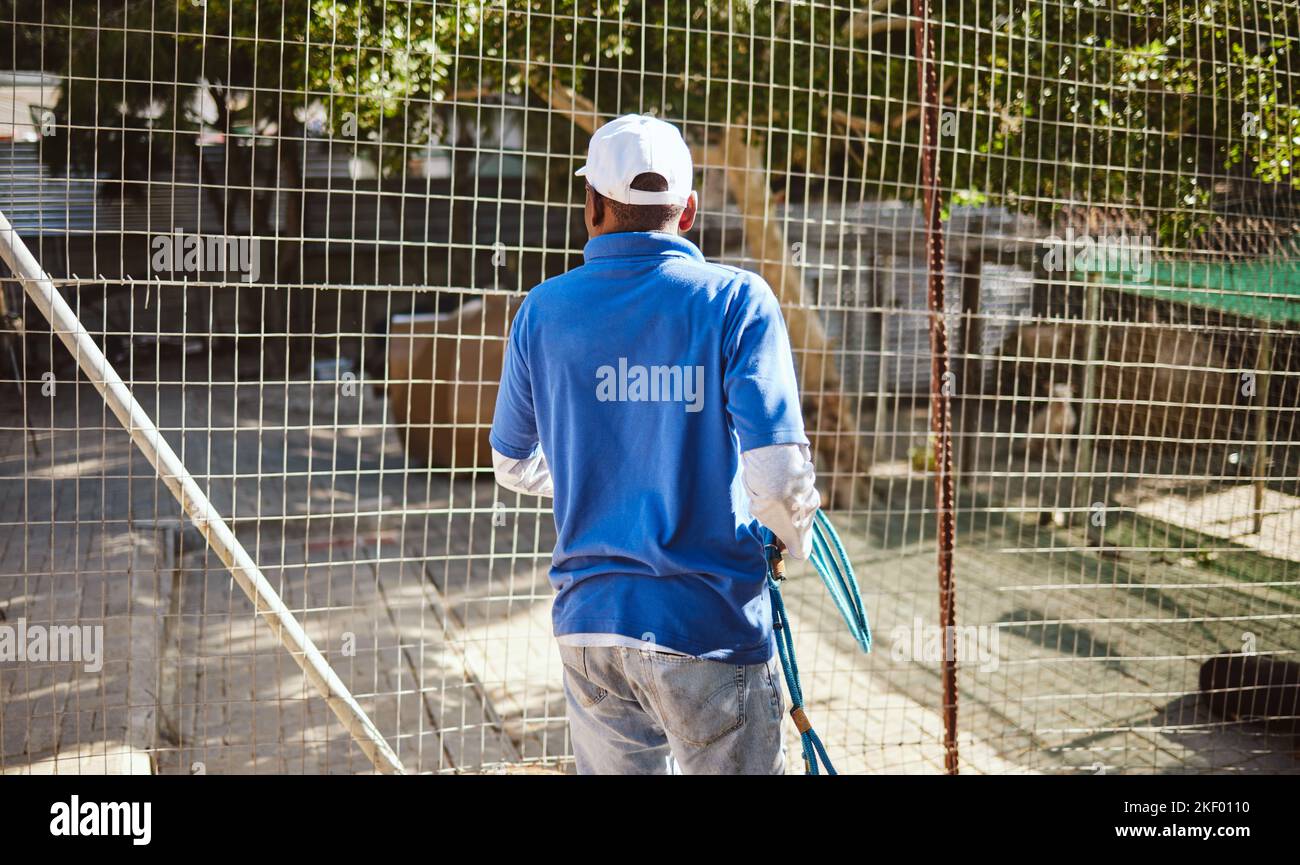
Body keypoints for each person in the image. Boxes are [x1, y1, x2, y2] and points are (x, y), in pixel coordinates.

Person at [490, 113, 818, 775]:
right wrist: (794, 538)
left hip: (592, 626)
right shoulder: (736, 300)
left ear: (591, 207)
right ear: (689, 210)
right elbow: (779, 481)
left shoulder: (541, 311)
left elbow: (512, 463)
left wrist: (607, 468)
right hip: (708, 628)